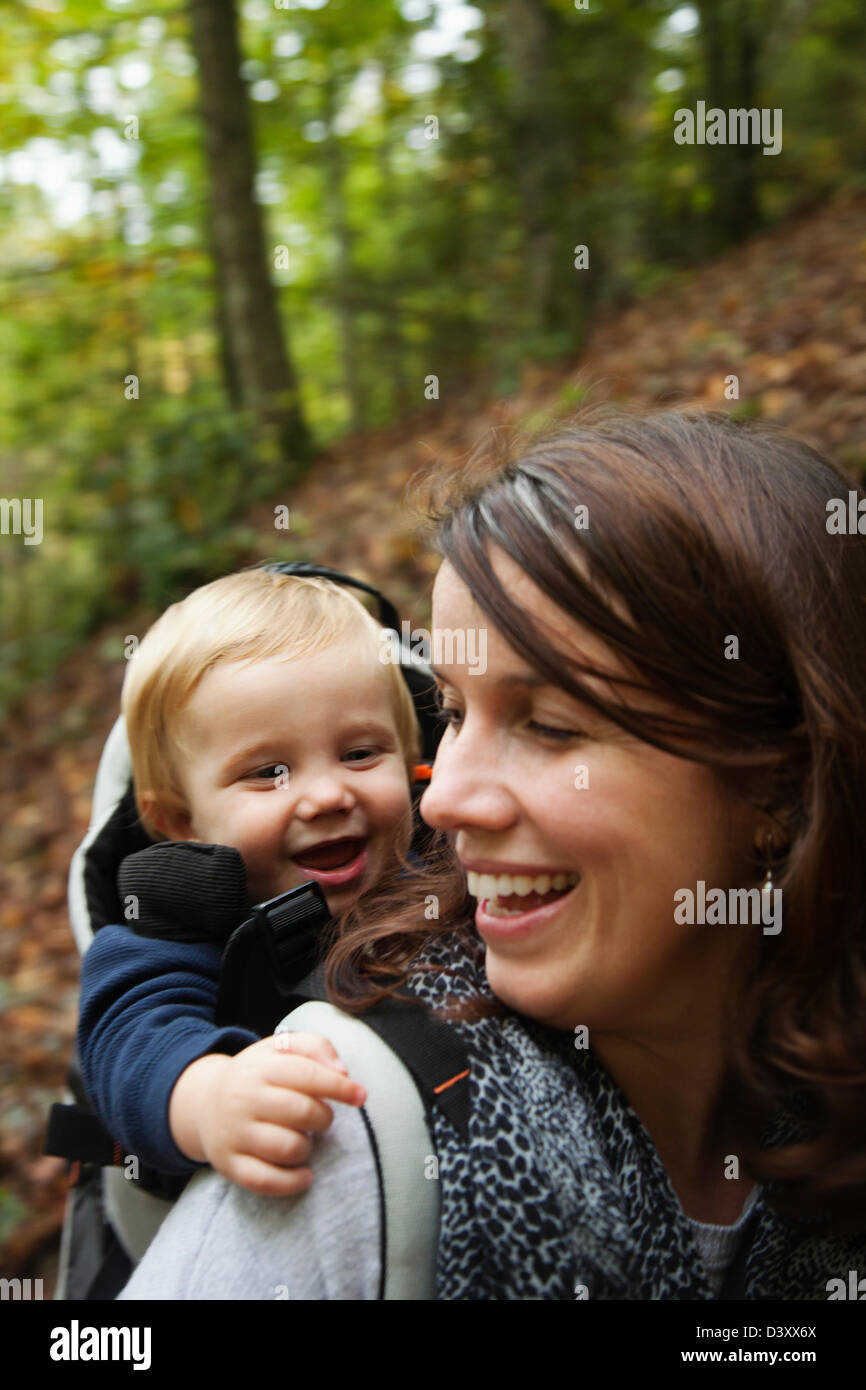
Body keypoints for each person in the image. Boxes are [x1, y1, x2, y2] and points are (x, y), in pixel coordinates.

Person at [117, 408, 866, 1300]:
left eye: (549, 726)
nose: (443, 798)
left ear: (779, 787)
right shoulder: (356, 1143)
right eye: (456, 710)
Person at [78, 566, 425, 1196]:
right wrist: (209, 1097)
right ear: (182, 821)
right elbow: (126, 1046)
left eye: (360, 753)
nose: (325, 795)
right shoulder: (169, 935)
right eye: (269, 771)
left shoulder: (446, 859)